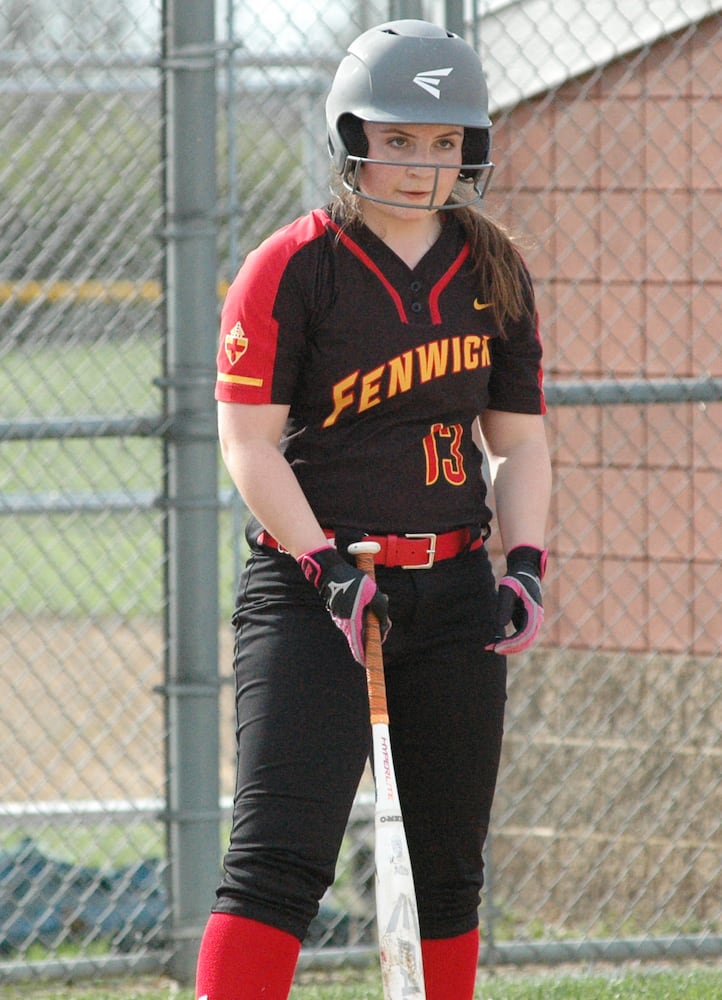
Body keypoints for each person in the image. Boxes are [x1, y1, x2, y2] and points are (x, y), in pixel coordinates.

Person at [195, 18, 551, 1000]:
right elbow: (249, 445)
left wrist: (522, 563)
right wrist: (327, 570)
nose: (419, 164)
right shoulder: (291, 268)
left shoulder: (493, 273)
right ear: (349, 134)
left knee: (447, 870)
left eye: (444, 143)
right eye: (396, 137)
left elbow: (516, 444)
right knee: (277, 861)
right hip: (315, 588)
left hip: (448, 592)